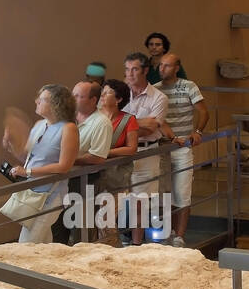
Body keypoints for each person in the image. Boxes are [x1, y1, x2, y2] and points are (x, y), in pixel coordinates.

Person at [9, 85, 79, 244]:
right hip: (32, 191)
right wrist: (12, 144)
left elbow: (64, 166)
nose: (36, 101)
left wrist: (27, 172)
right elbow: (27, 157)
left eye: (42, 99)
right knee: (42, 241)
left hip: (52, 194)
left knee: (27, 243)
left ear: (56, 103)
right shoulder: (39, 125)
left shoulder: (68, 128)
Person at [154, 53, 208, 248]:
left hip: (183, 147)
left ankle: (179, 236)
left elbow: (203, 111)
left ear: (176, 67)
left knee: (182, 192)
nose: (162, 69)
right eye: (161, 66)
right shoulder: (155, 90)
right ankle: (164, 232)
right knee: (162, 193)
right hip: (161, 147)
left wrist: (198, 131)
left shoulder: (188, 86)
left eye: (167, 66)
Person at [52, 80, 113, 244]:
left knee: (82, 229)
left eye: (79, 96)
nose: (73, 98)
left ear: (93, 100)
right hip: (61, 180)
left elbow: (98, 157)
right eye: (73, 94)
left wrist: (68, 159)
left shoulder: (101, 123)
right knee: (57, 226)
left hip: (85, 182)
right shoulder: (65, 118)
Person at [124, 52, 172, 245]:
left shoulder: (158, 98)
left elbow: (152, 127)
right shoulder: (119, 94)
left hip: (146, 152)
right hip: (121, 152)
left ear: (145, 71)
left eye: (134, 69)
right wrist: (136, 124)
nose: (130, 74)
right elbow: (109, 122)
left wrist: (124, 125)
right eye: (127, 69)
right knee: (116, 199)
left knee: (140, 202)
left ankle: (136, 243)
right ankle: (118, 239)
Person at [97, 79, 138, 245]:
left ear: (119, 99)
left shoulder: (128, 120)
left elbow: (131, 148)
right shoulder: (95, 117)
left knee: (105, 219)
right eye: (103, 92)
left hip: (116, 177)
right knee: (94, 220)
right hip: (95, 175)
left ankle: (112, 249)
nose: (102, 95)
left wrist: (106, 153)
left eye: (107, 93)